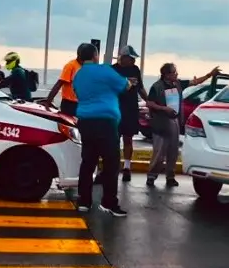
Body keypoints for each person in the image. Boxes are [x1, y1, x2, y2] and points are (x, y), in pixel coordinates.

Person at [72, 44, 132, 217]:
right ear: (95, 55)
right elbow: (125, 86)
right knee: (111, 163)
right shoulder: (105, 70)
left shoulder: (79, 75)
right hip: (106, 122)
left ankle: (84, 201)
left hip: (85, 122)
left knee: (88, 162)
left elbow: (78, 94)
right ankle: (109, 203)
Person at [145, 62, 220, 187]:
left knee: (173, 152)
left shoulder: (178, 84)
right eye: (174, 72)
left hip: (174, 121)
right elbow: (149, 103)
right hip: (160, 122)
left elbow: (195, 82)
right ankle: (152, 176)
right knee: (159, 153)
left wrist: (209, 75)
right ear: (166, 75)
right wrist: (164, 108)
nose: (176, 74)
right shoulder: (157, 87)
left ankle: (170, 177)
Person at [111, 45, 149, 182]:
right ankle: (112, 167)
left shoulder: (135, 70)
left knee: (128, 138)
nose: (133, 61)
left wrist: (149, 101)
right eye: (131, 58)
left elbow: (140, 88)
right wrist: (125, 83)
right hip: (115, 108)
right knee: (113, 140)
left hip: (130, 108)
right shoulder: (113, 70)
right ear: (123, 57)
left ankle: (127, 167)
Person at [41, 44, 90, 116]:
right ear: (79, 56)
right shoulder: (71, 66)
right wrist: (48, 102)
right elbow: (59, 84)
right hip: (69, 105)